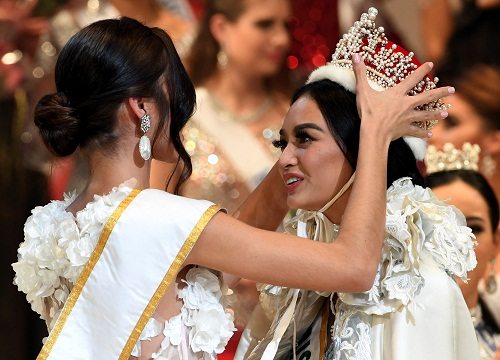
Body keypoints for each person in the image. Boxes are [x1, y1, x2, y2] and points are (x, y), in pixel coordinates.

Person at [12, 16, 449, 359]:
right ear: (140, 108)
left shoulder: (54, 225)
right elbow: (353, 267)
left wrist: (298, 155)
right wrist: (373, 134)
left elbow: (225, 254)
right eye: (172, 92)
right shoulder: (163, 220)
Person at [239, 8, 479, 360]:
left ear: (363, 146)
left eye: (305, 139)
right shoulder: (296, 283)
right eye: (282, 143)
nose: (284, 159)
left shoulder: (418, 290)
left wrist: (375, 132)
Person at [425, 142, 500, 360]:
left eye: (474, 228)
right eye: (439, 228)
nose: (458, 243)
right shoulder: (386, 339)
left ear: (496, 241)